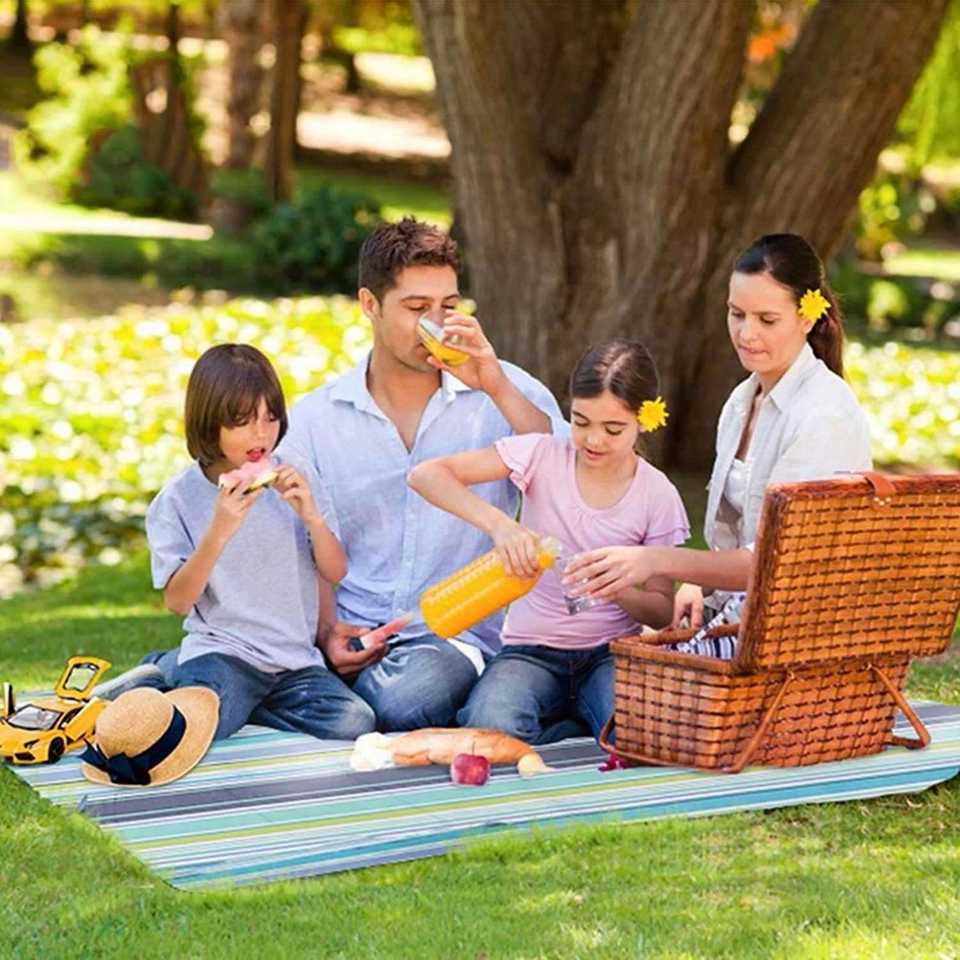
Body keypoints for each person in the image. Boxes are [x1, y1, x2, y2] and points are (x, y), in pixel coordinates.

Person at [276, 217, 567, 730]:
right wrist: (325, 631)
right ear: (369, 304)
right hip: (355, 627)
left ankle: (333, 702)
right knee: (284, 662)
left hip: (454, 634)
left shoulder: (504, 389)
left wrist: (495, 385)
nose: (436, 324)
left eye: (448, 306)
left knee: (406, 701)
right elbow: (297, 542)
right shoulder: (317, 420)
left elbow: (570, 472)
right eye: (416, 308)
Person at [564, 233, 872, 657]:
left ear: (807, 317)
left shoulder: (824, 414)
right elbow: (734, 545)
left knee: (639, 677)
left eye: (767, 320)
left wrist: (654, 560)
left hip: (796, 633)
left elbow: (775, 561)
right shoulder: (741, 401)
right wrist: (699, 584)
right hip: (741, 612)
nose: (746, 333)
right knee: (605, 658)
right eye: (736, 313)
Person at [407, 339, 690, 743]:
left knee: (640, 733)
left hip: (610, 654)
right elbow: (425, 476)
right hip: (530, 652)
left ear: (644, 421)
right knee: (490, 723)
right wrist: (501, 526)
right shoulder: (542, 455)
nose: (593, 440)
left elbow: (662, 613)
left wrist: (619, 590)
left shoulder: (656, 494)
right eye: (581, 422)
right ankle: (571, 725)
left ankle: (567, 724)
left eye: (613, 429)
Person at [138, 344, 376, 741]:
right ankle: (173, 671)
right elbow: (177, 602)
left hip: (294, 663)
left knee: (353, 721)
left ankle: (192, 683)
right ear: (208, 423)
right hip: (224, 653)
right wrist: (219, 531)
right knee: (196, 729)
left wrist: (312, 517)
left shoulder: (297, 475)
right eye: (243, 421)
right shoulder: (177, 499)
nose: (261, 434)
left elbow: (335, 571)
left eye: (270, 417)